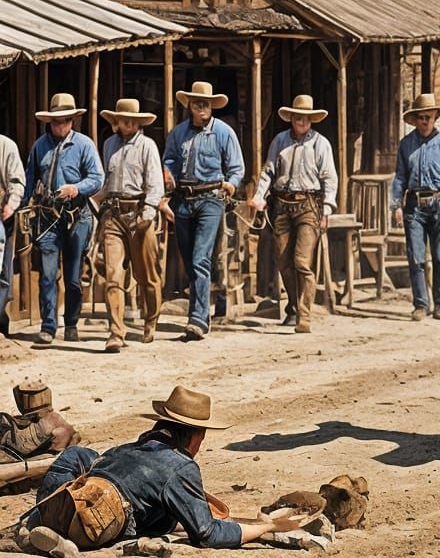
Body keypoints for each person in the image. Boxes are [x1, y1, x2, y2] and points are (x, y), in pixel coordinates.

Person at [24, 385, 305, 550]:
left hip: (60, 504)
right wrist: (265, 525)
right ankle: (71, 541)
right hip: (95, 526)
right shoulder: (180, 468)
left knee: (78, 455)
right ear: (193, 435)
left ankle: (37, 519)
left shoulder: (126, 450)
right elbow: (208, 534)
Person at [162, 82, 244, 344]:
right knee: (190, 260)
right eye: (197, 104)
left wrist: (231, 183)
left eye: (206, 104)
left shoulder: (223, 132)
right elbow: (170, 160)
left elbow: (237, 167)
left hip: (211, 198)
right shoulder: (178, 134)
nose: (202, 108)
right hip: (184, 200)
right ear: (190, 106)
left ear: (212, 106)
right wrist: (168, 176)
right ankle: (202, 314)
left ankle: (197, 319)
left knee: (200, 258)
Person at [250, 94, 338, 335]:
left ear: (311, 120)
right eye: (298, 117)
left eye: (306, 118)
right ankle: (292, 306)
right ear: (291, 118)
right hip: (281, 205)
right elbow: (268, 171)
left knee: (302, 261)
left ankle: (304, 315)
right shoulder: (280, 141)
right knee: (283, 261)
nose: (302, 121)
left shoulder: (321, 144)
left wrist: (328, 207)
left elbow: (330, 178)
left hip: (308, 205)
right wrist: (259, 197)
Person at [23, 93, 103, 346]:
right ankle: (48, 326)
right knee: (47, 274)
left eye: (65, 121)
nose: (61, 126)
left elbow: (97, 178)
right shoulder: (40, 146)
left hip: (76, 215)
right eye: (56, 122)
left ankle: (71, 322)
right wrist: (24, 206)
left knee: (72, 276)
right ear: (50, 123)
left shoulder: (84, 145)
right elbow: (29, 178)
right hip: (47, 216)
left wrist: (76, 188)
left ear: (72, 121)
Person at [98, 98, 166, 353]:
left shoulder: (147, 146)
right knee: (113, 275)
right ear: (116, 121)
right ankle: (116, 331)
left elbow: (155, 183)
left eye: (131, 120)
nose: (126, 124)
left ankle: (151, 319)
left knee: (146, 274)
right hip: (114, 215)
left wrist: (147, 213)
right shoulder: (108, 145)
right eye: (122, 119)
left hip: (139, 212)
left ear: (138, 123)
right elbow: (106, 182)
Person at [391, 92, 440, 322]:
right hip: (414, 205)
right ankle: (421, 304)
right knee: (416, 257)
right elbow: (400, 177)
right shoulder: (406, 144)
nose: (425, 121)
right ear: (415, 119)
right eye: (421, 117)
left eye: (429, 117)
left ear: (435, 117)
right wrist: (396, 205)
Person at [0, 128, 22, 338]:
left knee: (3, 274)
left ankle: (0, 319)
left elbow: (16, 181)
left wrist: (11, 205)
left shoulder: (6, 146)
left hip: (0, 215)